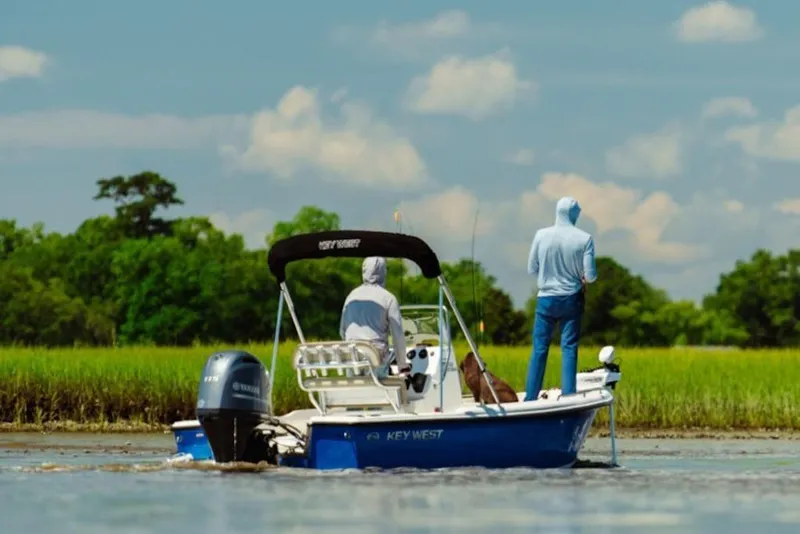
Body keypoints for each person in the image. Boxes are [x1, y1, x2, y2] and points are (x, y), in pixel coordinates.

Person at [524, 196, 597, 401]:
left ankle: (530, 397)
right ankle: (568, 395)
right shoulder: (585, 239)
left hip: (545, 299)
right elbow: (590, 275)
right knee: (569, 347)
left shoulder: (541, 235)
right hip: (571, 299)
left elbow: (532, 268)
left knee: (539, 348)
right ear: (574, 214)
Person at [340, 256, 411, 379]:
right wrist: (402, 365)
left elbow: (342, 331)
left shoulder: (351, 297)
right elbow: (397, 335)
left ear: (364, 271)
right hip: (375, 357)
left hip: (352, 357)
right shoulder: (388, 298)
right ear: (384, 272)